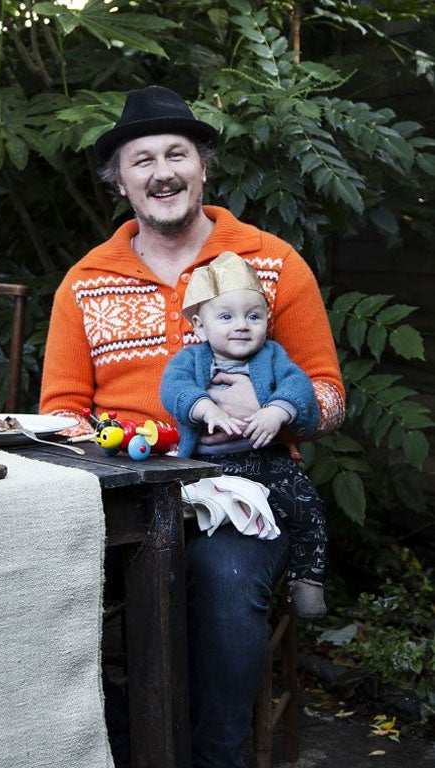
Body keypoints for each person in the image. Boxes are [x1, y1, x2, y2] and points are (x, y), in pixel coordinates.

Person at [39, 84, 345, 768]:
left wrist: (275, 412)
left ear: (204, 166)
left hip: (248, 489)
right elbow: (59, 413)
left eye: (177, 153)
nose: (162, 171)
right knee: (30, 578)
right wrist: (109, 452)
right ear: (119, 182)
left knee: (224, 579)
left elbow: (330, 396)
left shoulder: (273, 264)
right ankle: (123, 743)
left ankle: (216, 759)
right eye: (141, 160)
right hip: (121, 492)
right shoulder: (85, 282)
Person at [160, 250, 328, 620]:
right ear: (199, 326)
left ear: (267, 319)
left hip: (264, 457)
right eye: (226, 316)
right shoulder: (191, 359)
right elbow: (173, 389)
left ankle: (307, 579)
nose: (241, 325)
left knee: (306, 505)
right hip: (207, 464)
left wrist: (276, 410)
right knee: (176, 511)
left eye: (253, 316)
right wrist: (207, 409)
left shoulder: (272, 355)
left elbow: (299, 386)